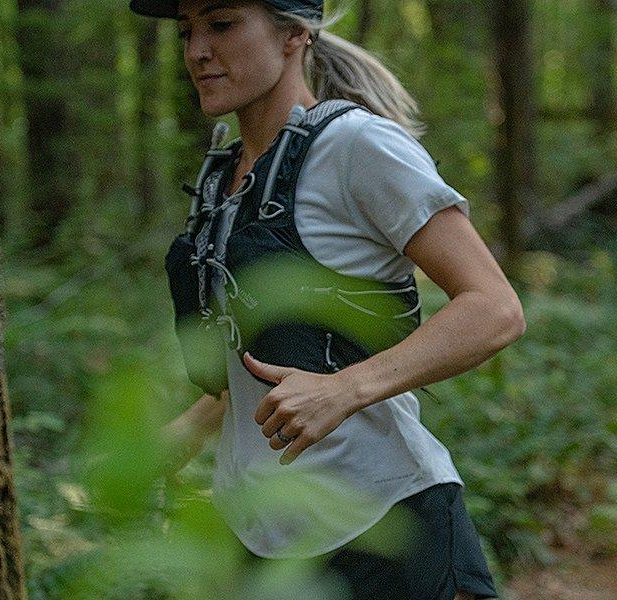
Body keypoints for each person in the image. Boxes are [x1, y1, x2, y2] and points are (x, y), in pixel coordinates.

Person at [133, 0, 526, 598]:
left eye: (221, 24)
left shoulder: (358, 148)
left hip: (381, 524)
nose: (196, 51)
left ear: (294, 33)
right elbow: (268, 353)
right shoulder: (223, 173)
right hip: (260, 537)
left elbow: (494, 307)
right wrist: (189, 430)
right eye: (187, 31)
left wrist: (345, 389)